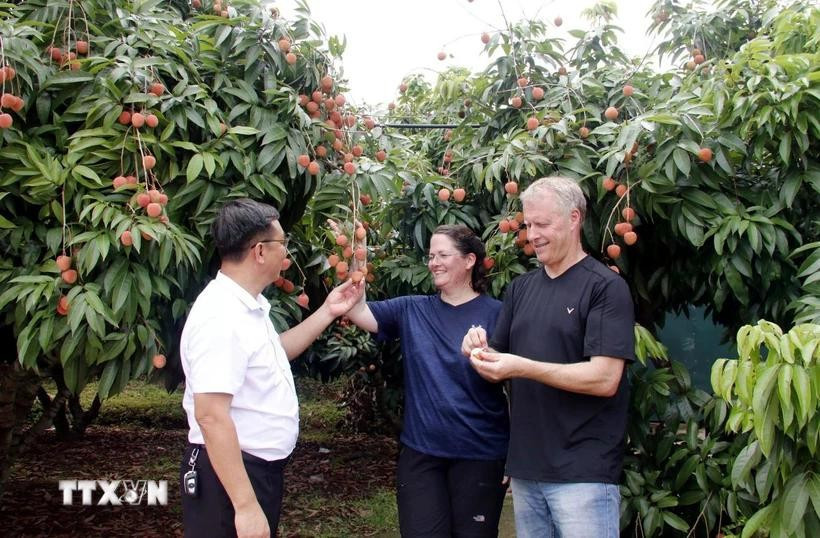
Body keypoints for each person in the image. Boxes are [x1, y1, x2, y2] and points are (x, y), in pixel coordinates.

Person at [178, 198, 363, 538]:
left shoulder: (249, 305)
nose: (286, 254)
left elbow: (272, 353)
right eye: (282, 244)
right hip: (230, 475)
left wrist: (328, 311)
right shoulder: (221, 316)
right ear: (260, 251)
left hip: (253, 471)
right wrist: (246, 506)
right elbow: (211, 415)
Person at [462, 176, 635, 538]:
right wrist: (478, 351)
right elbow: (499, 364)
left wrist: (522, 367)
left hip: (583, 472)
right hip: (528, 470)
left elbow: (604, 379)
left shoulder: (605, 287)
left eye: (542, 224)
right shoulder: (521, 288)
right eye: (527, 224)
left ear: (574, 219)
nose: (532, 234)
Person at [344, 224, 510, 538]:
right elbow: (356, 309)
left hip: (481, 454)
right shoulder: (412, 309)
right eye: (431, 255)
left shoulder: (498, 315)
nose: (433, 262)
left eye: (443, 254)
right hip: (422, 456)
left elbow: (518, 385)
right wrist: (358, 253)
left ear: (469, 260)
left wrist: (517, 454)